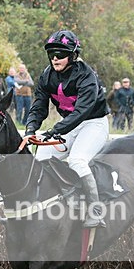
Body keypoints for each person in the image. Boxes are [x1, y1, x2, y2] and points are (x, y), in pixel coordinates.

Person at [24, 30, 110, 227]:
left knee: (77, 160)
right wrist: (30, 128)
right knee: (40, 158)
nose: (55, 58)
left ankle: (96, 211)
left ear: (73, 55)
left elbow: (81, 111)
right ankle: (43, 206)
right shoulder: (46, 76)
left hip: (93, 123)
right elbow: (39, 106)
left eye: (60, 54)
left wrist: (55, 130)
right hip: (68, 126)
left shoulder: (87, 76)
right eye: (51, 54)